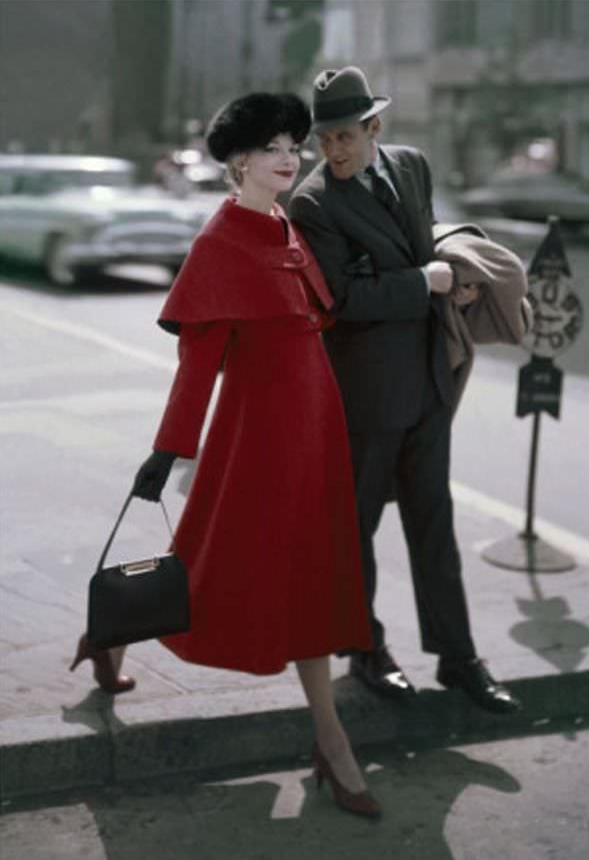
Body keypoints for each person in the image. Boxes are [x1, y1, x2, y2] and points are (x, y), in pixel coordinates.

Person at [70, 92, 380, 819]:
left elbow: (315, 326)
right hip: (258, 443)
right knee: (227, 576)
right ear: (238, 159)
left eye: (293, 146)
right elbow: (198, 367)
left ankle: (329, 739)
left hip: (317, 433)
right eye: (274, 146)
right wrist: (168, 449)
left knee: (314, 580)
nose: (289, 157)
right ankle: (113, 628)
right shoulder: (219, 244)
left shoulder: (285, 227)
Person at [290, 66, 521, 713]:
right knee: (355, 526)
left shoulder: (412, 167)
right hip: (363, 395)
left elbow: (417, 250)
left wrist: (449, 280)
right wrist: (425, 282)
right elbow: (341, 297)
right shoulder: (312, 204)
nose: (332, 151)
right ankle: (366, 651)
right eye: (323, 140)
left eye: (344, 137)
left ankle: (458, 658)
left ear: (374, 128)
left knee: (434, 524)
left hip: (428, 380)